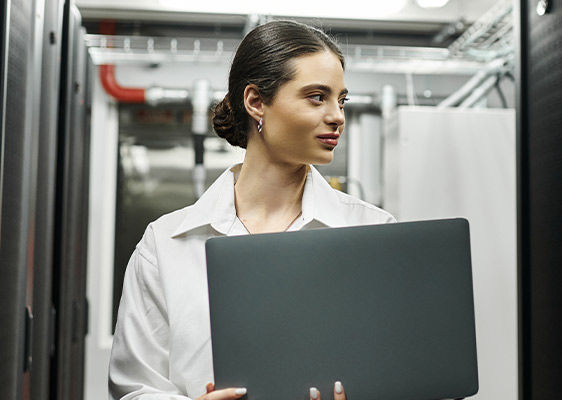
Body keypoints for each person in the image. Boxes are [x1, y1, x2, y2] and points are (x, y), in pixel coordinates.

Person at [108, 20, 395, 400]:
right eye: (316, 97)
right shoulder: (165, 245)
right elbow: (134, 389)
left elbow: (400, 373)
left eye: (340, 100)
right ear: (256, 102)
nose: (337, 116)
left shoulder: (375, 234)